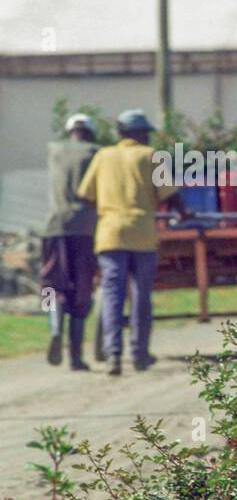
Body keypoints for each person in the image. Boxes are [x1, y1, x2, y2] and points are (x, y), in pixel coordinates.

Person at [76, 109, 190, 376]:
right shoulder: (150, 156)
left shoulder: (103, 156)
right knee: (141, 295)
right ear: (138, 133)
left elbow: (84, 195)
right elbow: (170, 194)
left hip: (110, 234)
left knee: (113, 295)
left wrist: (107, 205)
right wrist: (183, 213)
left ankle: (113, 354)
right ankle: (139, 354)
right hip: (142, 234)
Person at [41, 114, 100, 370]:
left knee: (50, 285)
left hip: (53, 227)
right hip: (86, 228)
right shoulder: (97, 152)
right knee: (81, 292)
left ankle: (53, 328)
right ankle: (76, 356)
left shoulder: (52, 149)